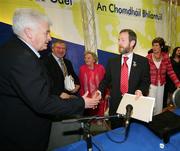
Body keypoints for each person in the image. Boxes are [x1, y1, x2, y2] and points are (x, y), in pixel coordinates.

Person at [0, 8, 100, 151]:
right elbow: (43, 102)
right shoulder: (23, 58)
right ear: (29, 32)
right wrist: (81, 102)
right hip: (22, 137)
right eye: (46, 32)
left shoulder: (12, 50)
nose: (49, 38)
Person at [98, 29, 150, 129]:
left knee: (132, 133)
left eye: (122, 40)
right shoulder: (112, 61)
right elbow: (105, 80)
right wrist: (99, 92)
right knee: (116, 133)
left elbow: (146, 81)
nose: (119, 43)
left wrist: (140, 90)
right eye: (118, 40)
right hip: (115, 106)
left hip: (134, 105)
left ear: (132, 43)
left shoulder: (142, 62)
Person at [146, 37, 180, 115]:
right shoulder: (148, 57)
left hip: (161, 84)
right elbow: (144, 73)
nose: (154, 47)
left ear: (161, 46)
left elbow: (171, 71)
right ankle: (149, 121)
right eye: (153, 45)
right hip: (151, 85)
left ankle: (157, 121)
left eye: (156, 45)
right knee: (151, 105)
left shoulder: (165, 57)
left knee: (159, 105)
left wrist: (178, 83)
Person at [79, 51, 109, 117]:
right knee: (90, 116)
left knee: (100, 114)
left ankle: (100, 123)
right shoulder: (82, 69)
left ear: (94, 60)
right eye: (85, 58)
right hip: (88, 96)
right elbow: (81, 84)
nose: (86, 59)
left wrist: (107, 93)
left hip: (100, 95)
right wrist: (82, 96)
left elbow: (105, 81)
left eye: (89, 58)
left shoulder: (100, 68)